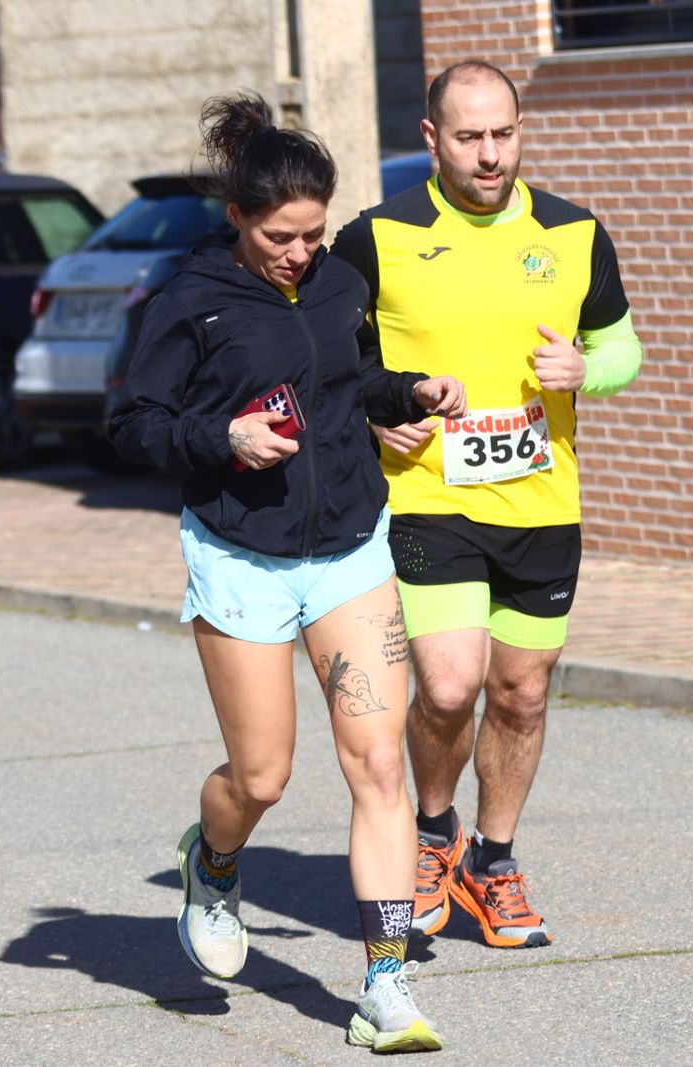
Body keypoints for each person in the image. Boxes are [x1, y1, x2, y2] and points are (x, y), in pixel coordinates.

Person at [108, 94, 467, 1054]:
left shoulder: (341, 281)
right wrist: (219, 436)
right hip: (241, 556)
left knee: (379, 764)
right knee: (262, 774)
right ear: (237, 216)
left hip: (349, 548)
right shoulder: (191, 297)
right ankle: (215, 860)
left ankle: (385, 983)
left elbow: (350, 378)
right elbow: (131, 423)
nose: (301, 251)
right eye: (281, 235)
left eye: (313, 233)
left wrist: (410, 390)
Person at [332, 61, 643, 951]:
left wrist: (589, 370)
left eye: (503, 133)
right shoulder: (377, 238)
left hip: (544, 503)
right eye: (469, 137)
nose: (490, 154)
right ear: (431, 139)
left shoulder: (575, 233)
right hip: (430, 499)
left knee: (521, 693)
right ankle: (434, 835)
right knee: (450, 684)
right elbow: (328, 363)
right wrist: (372, 417)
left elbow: (623, 348)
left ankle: (492, 859)